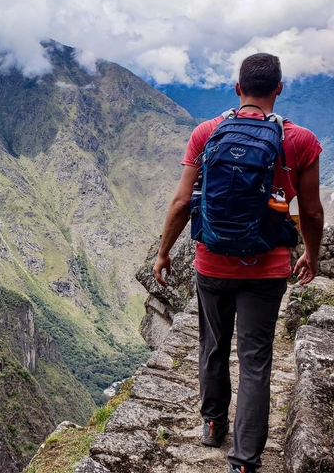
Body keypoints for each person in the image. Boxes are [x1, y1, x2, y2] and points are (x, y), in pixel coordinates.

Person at [153, 53, 324, 473]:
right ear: (279, 89)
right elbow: (314, 212)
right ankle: (245, 461)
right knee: (255, 361)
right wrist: (312, 256)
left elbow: (181, 202)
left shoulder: (207, 133)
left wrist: (163, 253)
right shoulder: (301, 140)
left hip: (211, 264)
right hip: (266, 270)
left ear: (236, 88)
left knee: (212, 346)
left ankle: (212, 424)